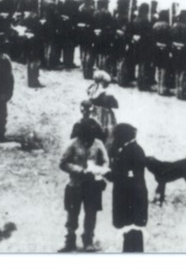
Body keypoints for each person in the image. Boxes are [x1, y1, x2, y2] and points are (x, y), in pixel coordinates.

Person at [58, 121, 109, 252]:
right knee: (72, 213)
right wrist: (79, 170)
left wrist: (99, 170)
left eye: (92, 135)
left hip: (93, 185)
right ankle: (70, 240)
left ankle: (88, 240)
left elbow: (105, 162)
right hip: (76, 184)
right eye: (87, 135)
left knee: (91, 213)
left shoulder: (98, 144)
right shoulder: (72, 144)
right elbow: (63, 163)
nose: (89, 138)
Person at [108, 122, 149, 252]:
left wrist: (105, 173)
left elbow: (122, 176)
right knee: (132, 236)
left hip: (130, 199)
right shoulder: (133, 149)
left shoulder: (130, 151)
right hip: (133, 198)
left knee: (132, 235)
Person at [87, 70, 119, 142]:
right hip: (104, 113)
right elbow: (115, 105)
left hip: (94, 111)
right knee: (107, 129)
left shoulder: (92, 88)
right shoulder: (106, 94)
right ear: (103, 82)